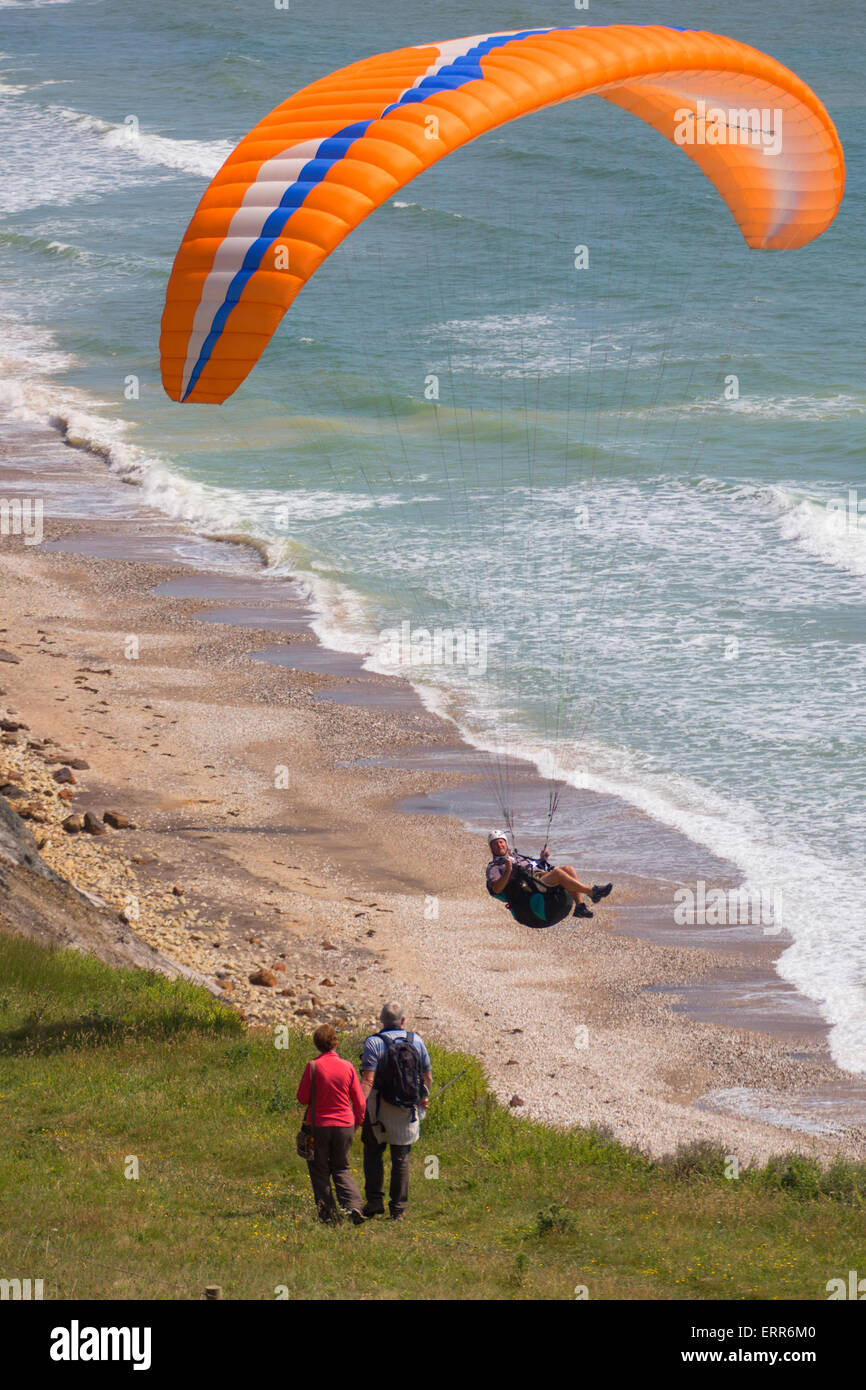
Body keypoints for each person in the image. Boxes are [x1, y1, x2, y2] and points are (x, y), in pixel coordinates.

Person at [360, 1003, 433, 1221]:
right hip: (407, 1109)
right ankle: (398, 1210)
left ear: (381, 1020)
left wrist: (358, 1107)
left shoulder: (373, 1043)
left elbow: (368, 1080)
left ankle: (374, 1202)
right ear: (403, 1020)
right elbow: (427, 1076)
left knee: (373, 1154)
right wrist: (423, 1097)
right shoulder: (416, 1041)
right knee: (401, 1159)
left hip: (378, 1108)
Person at [296, 1023, 366, 1225]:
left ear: (317, 1044)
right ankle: (354, 1206)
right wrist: (358, 1121)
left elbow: (302, 1098)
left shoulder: (313, 1066)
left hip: (319, 1125)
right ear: (335, 1042)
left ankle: (328, 1215)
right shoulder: (348, 1066)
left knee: (319, 1169)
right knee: (341, 1167)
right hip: (345, 1124)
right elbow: (359, 1101)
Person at [485, 830, 613, 925]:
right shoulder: (494, 867)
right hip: (530, 889)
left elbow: (535, 866)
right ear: (491, 848)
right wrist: (508, 870)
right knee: (558, 873)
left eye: (501, 842)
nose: (499, 845)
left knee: (568, 869)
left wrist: (543, 858)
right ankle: (592, 891)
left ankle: (580, 906)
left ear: (506, 844)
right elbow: (496, 888)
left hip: (539, 879)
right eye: (495, 844)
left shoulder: (518, 857)